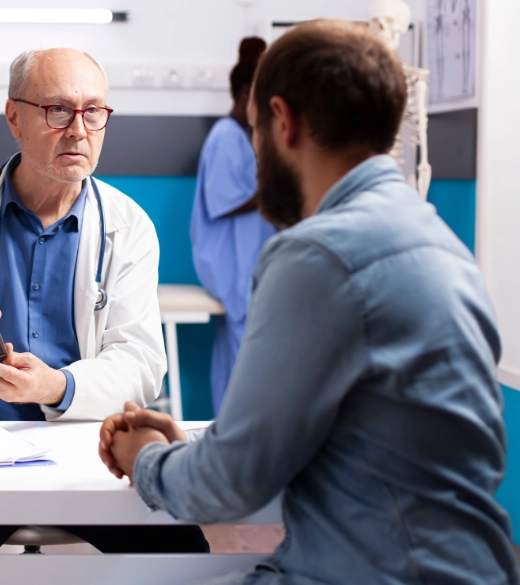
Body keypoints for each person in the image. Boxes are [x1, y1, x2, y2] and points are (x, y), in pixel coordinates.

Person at [100, 21, 520, 584]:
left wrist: (145, 456)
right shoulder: (444, 246)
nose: (254, 154)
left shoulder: (316, 255)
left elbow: (227, 487)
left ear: (283, 121)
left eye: (255, 130)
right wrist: (195, 450)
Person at [0, 48, 207, 554]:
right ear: (15, 119)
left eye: (93, 111)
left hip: (85, 445)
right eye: (57, 110)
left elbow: (141, 363)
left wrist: (56, 385)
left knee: (182, 554)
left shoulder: (127, 225)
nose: (78, 130)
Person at [190, 37, 276, 415]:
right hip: (232, 265)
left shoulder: (243, 136)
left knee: (238, 356)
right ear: (246, 95)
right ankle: (240, 427)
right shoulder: (226, 136)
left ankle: (231, 423)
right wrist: (278, 189)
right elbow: (224, 199)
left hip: (248, 261)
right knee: (245, 357)